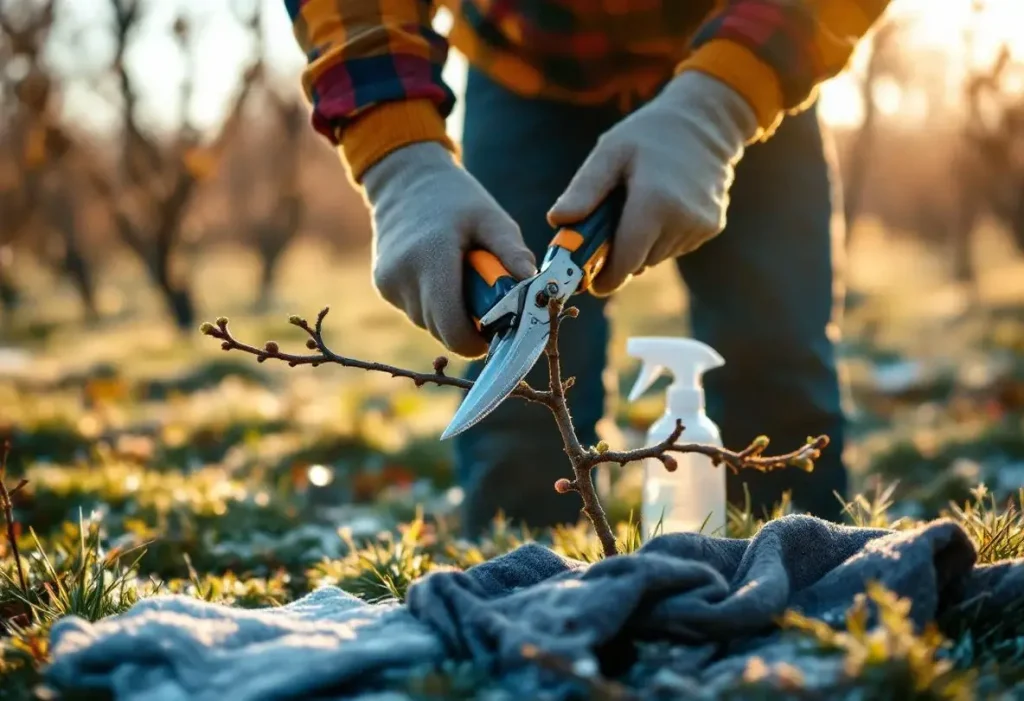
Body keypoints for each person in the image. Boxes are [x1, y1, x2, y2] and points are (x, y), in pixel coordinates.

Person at [282, 0, 891, 535]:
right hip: (524, 62)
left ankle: (807, 601)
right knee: (520, 425)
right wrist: (399, 158)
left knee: (775, 360)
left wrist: (717, 107)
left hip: (747, 40)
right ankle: (523, 606)